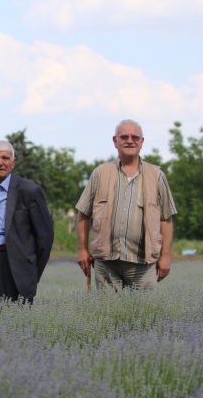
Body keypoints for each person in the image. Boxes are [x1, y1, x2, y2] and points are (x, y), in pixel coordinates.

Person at [76, 120, 177, 291]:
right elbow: (83, 214)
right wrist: (82, 250)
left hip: (143, 264)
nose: (130, 140)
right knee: (107, 315)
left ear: (142, 142)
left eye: (135, 137)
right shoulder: (100, 173)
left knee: (144, 315)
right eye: (124, 137)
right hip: (106, 262)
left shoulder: (156, 175)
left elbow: (166, 219)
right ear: (115, 141)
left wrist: (165, 257)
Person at [0, 141, 54, 303]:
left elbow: (45, 236)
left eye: (5, 158)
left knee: (16, 321)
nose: (0, 162)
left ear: (13, 163)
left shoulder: (29, 191)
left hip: (16, 264)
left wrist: (31, 272)